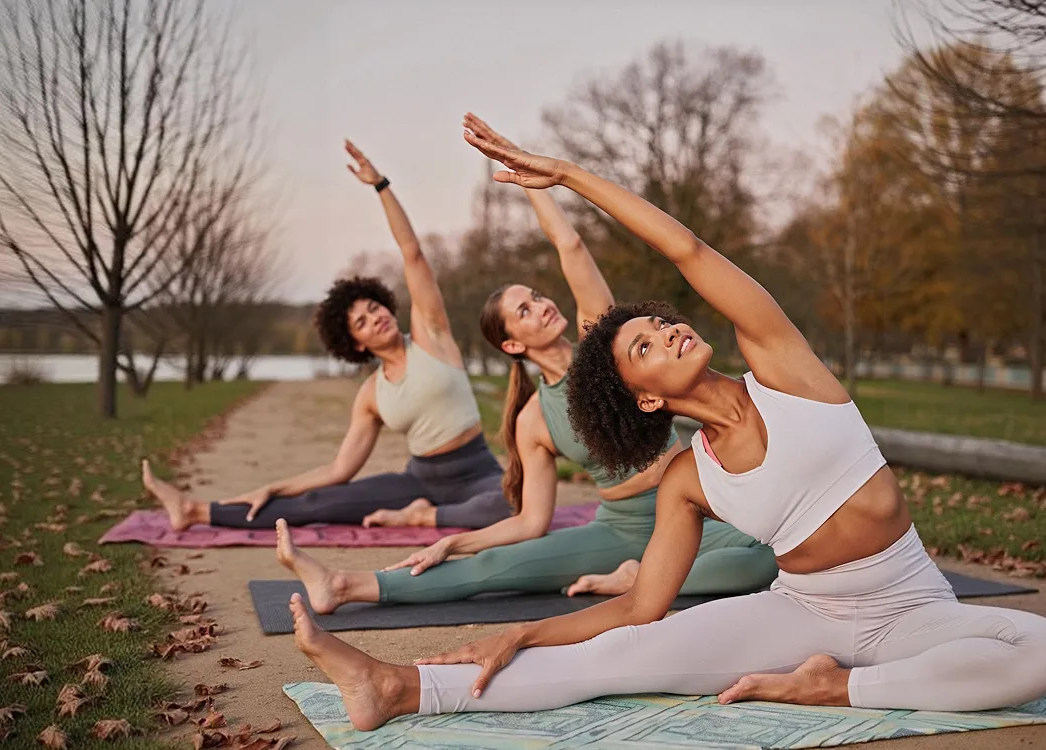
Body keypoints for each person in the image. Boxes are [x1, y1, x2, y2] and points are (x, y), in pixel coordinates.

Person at [280, 121, 1046, 731]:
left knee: (1043, 652)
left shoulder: (788, 373)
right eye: (645, 346)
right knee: (626, 655)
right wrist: (524, 631)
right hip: (800, 611)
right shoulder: (690, 477)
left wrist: (567, 176)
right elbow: (636, 608)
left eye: (661, 322)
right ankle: (397, 688)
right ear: (645, 398)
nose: (669, 331)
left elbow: (687, 250)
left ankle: (838, 688)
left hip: (908, 606)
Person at [274, 114, 776, 615]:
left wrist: (528, 175)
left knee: (763, 560)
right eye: (524, 310)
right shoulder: (534, 418)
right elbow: (532, 522)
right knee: (497, 568)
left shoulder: (605, 353)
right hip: (618, 528)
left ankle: (639, 579)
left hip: (697, 509)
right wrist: (461, 542)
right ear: (512, 345)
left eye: (536, 296)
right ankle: (344, 585)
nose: (541, 306)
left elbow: (570, 246)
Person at [141, 140, 509, 532]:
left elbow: (412, 253)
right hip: (418, 480)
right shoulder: (371, 394)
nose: (375, 319)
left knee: (511, 504)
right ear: (355, 344)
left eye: (374, 308)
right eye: (362, 322)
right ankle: (194, 511)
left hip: (477, 472)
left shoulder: (431, 336)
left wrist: (381, 185)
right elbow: (340, 468)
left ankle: (421, 516)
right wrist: (274, 487)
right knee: (318, 502)